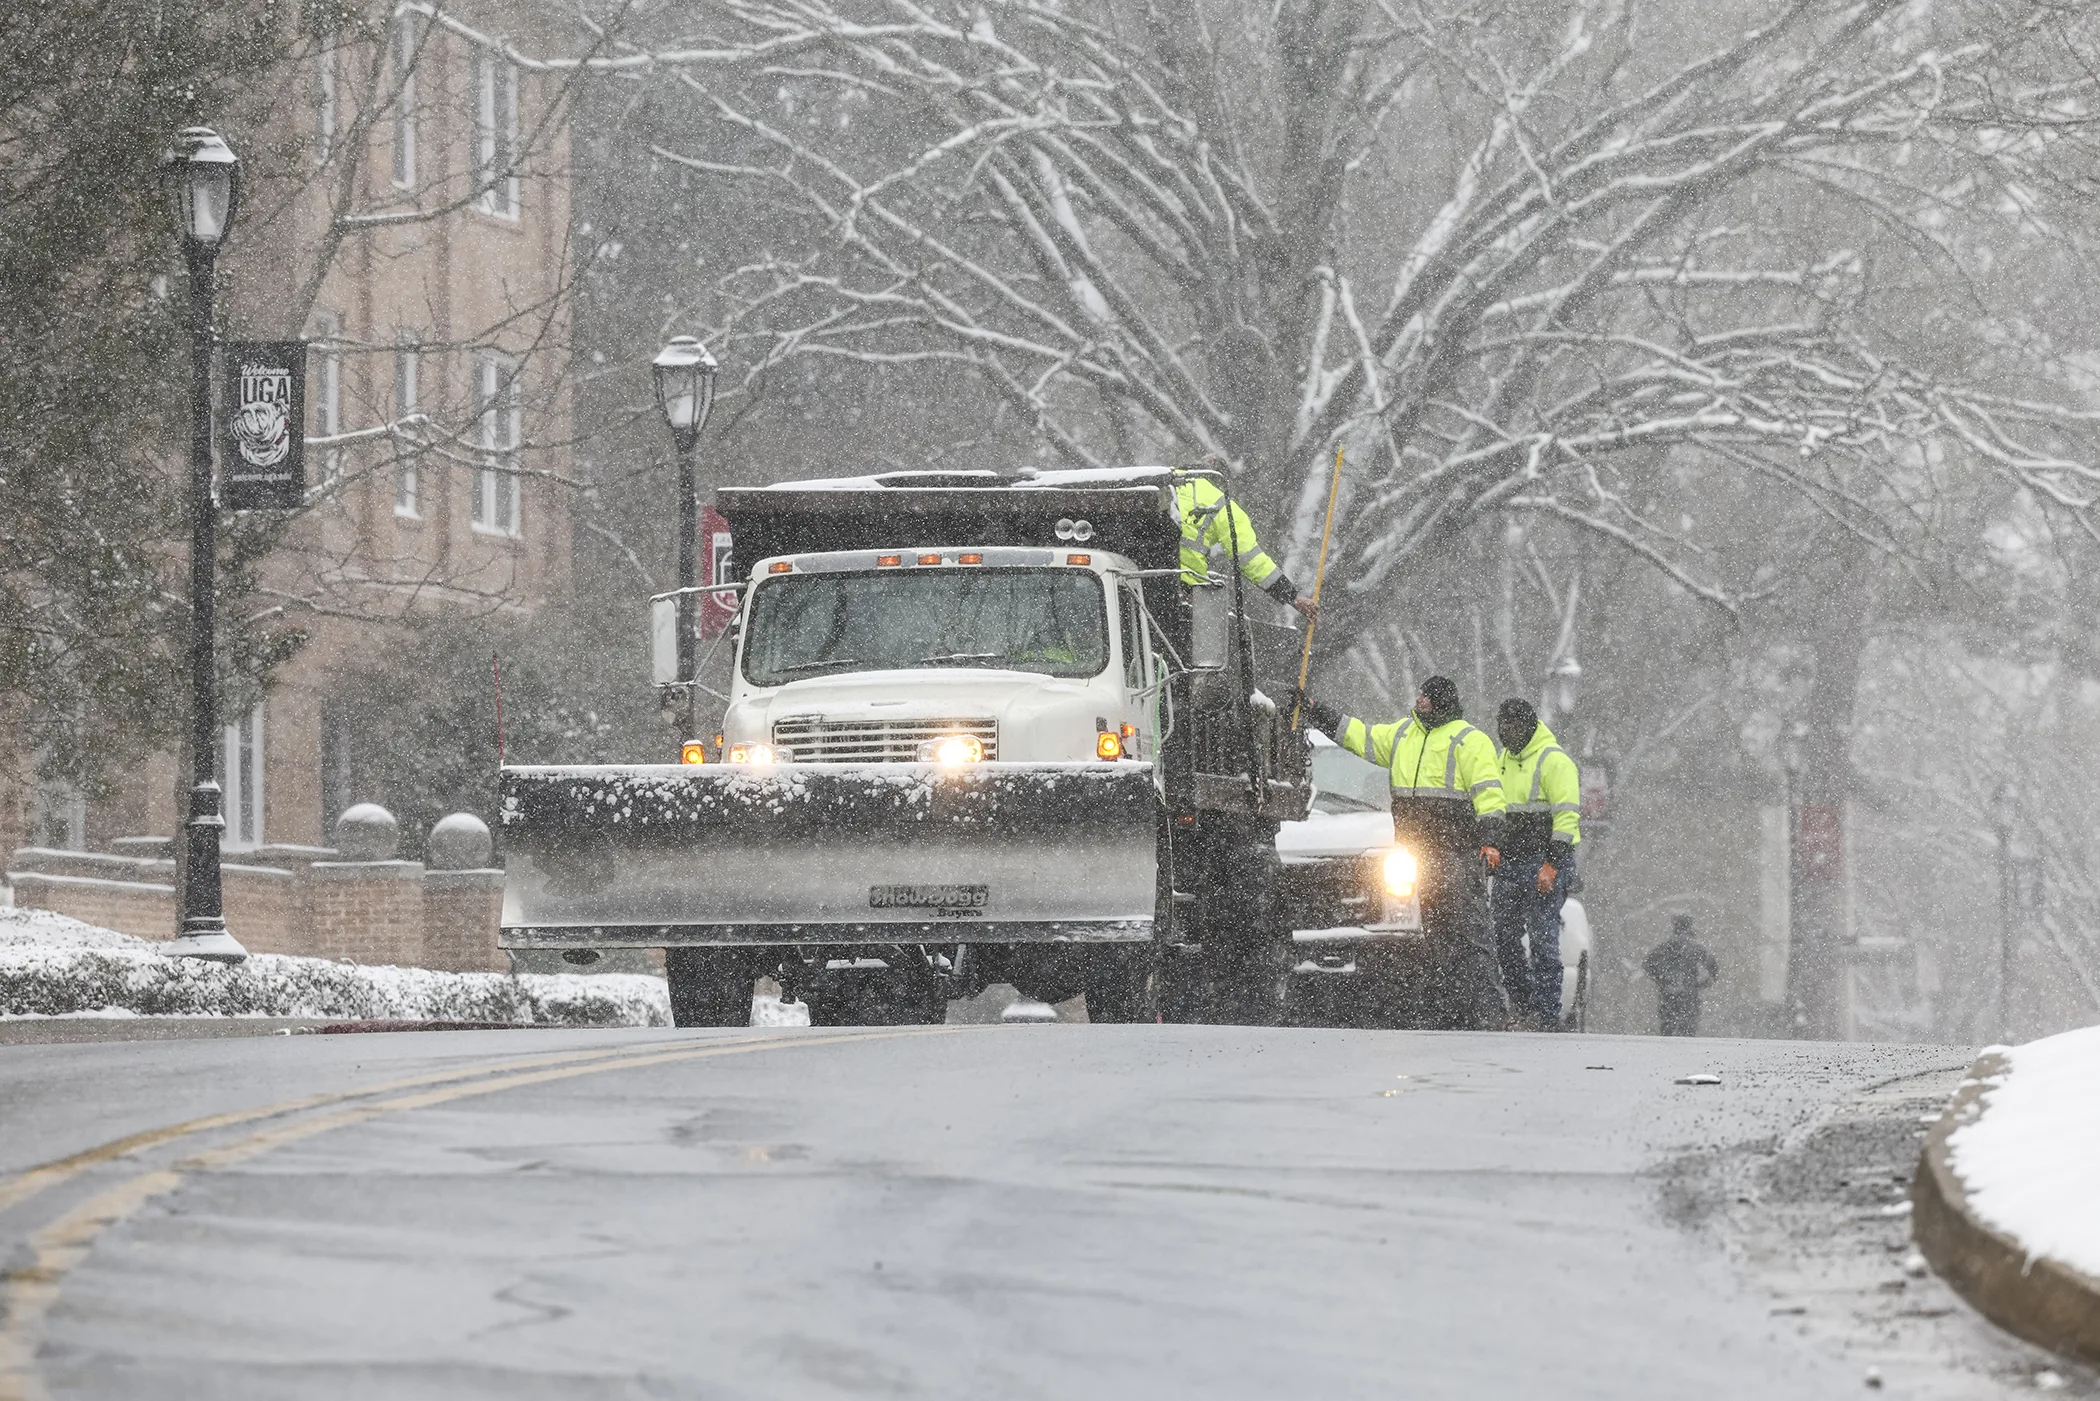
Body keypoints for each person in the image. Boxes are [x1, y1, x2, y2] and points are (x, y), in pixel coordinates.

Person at [1293, 676, 1510, 1029]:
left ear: (1439, 701)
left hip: (1454, 853)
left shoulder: (1470, 741)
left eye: (1425, 695)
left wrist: (1490, 839)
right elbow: (1359, 736)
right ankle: (1451, 1013)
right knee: (1436, 936)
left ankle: (1488, 1014)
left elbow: (1490, 796)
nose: (1418, 699)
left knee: (1469, 935)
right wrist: (1319, 713)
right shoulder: (1403, 734)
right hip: (1417, 854)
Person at [1491, 699, 1581, 1029]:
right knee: (1503, 937)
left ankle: (1547, 1014)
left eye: (1513, 727)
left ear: (1529, 727)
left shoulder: (1554, 761)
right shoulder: (1501, 761)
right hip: (1511, 862)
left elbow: (1567, 819)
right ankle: (1524, 1004)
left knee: (1543, 939)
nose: (1507, 733)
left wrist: (1552, 866)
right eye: (1503, 727)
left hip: (1544, 861)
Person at [1175, 476, 1318, 619]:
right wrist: (1292, 597)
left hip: (1157, 577)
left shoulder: (1167, 481)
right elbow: (1250, 559)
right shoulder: (1220, 504)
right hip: (1184, 587)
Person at [1645, 915, 1719, 1037]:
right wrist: (1702, 984)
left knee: (1668, 1026)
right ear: (1689, 927)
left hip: (1668, 993)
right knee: (1687, 1027)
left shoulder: (1665, 946)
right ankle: (1686, 1052)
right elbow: (1713, 967)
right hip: (1688, 994)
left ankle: (1667, 1051)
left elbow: (1648, 964)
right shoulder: (1695, 947)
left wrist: (1660, 980)